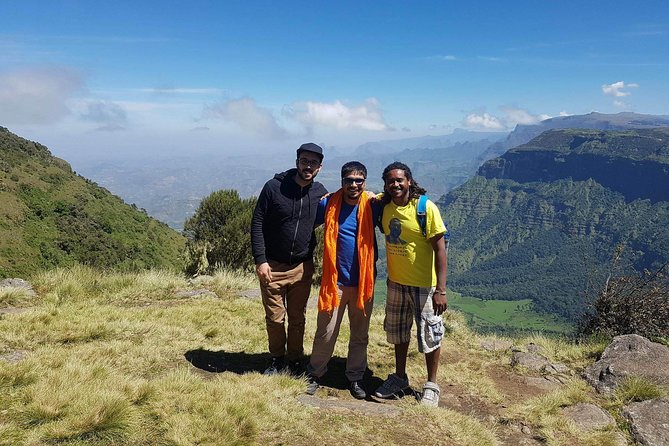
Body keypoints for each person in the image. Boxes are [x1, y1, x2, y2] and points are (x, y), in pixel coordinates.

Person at [373, 161, 449, 407]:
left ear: (409, 181)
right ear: (385, 185)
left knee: (430, 334)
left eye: (399, 180)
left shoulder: (425, 208)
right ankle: (400, 377)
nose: (395, 184)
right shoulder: (384, 207)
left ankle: (431, 385)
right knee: (398, 332)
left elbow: (440, 249)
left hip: (425, 286)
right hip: (396, 283)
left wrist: (441, 289)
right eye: (390, 181)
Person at [251, 143, 328, 375]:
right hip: (272, 265)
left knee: (297, 318)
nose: (308, 166)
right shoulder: (274, 187)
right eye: (304, 161)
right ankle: (276, 358)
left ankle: (294, 360)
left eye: (313, 163)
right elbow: (257, 223)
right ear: (297, 162)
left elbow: (345, 201)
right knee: (275, 318)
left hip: (302, 267)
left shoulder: (319, 193)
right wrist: (260, 259)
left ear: (319, 168)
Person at [305, 161, 377, 399]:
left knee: (360, 334)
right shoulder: (328, 204)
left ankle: (355, 377)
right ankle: (315, 373)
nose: (354, 185)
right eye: (349, 180)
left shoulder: (372, 205)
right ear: (342, 181)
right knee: (325, 331)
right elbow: (306, 219)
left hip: (363, 283)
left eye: (359, 180)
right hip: (333, 283)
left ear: (364, 182)